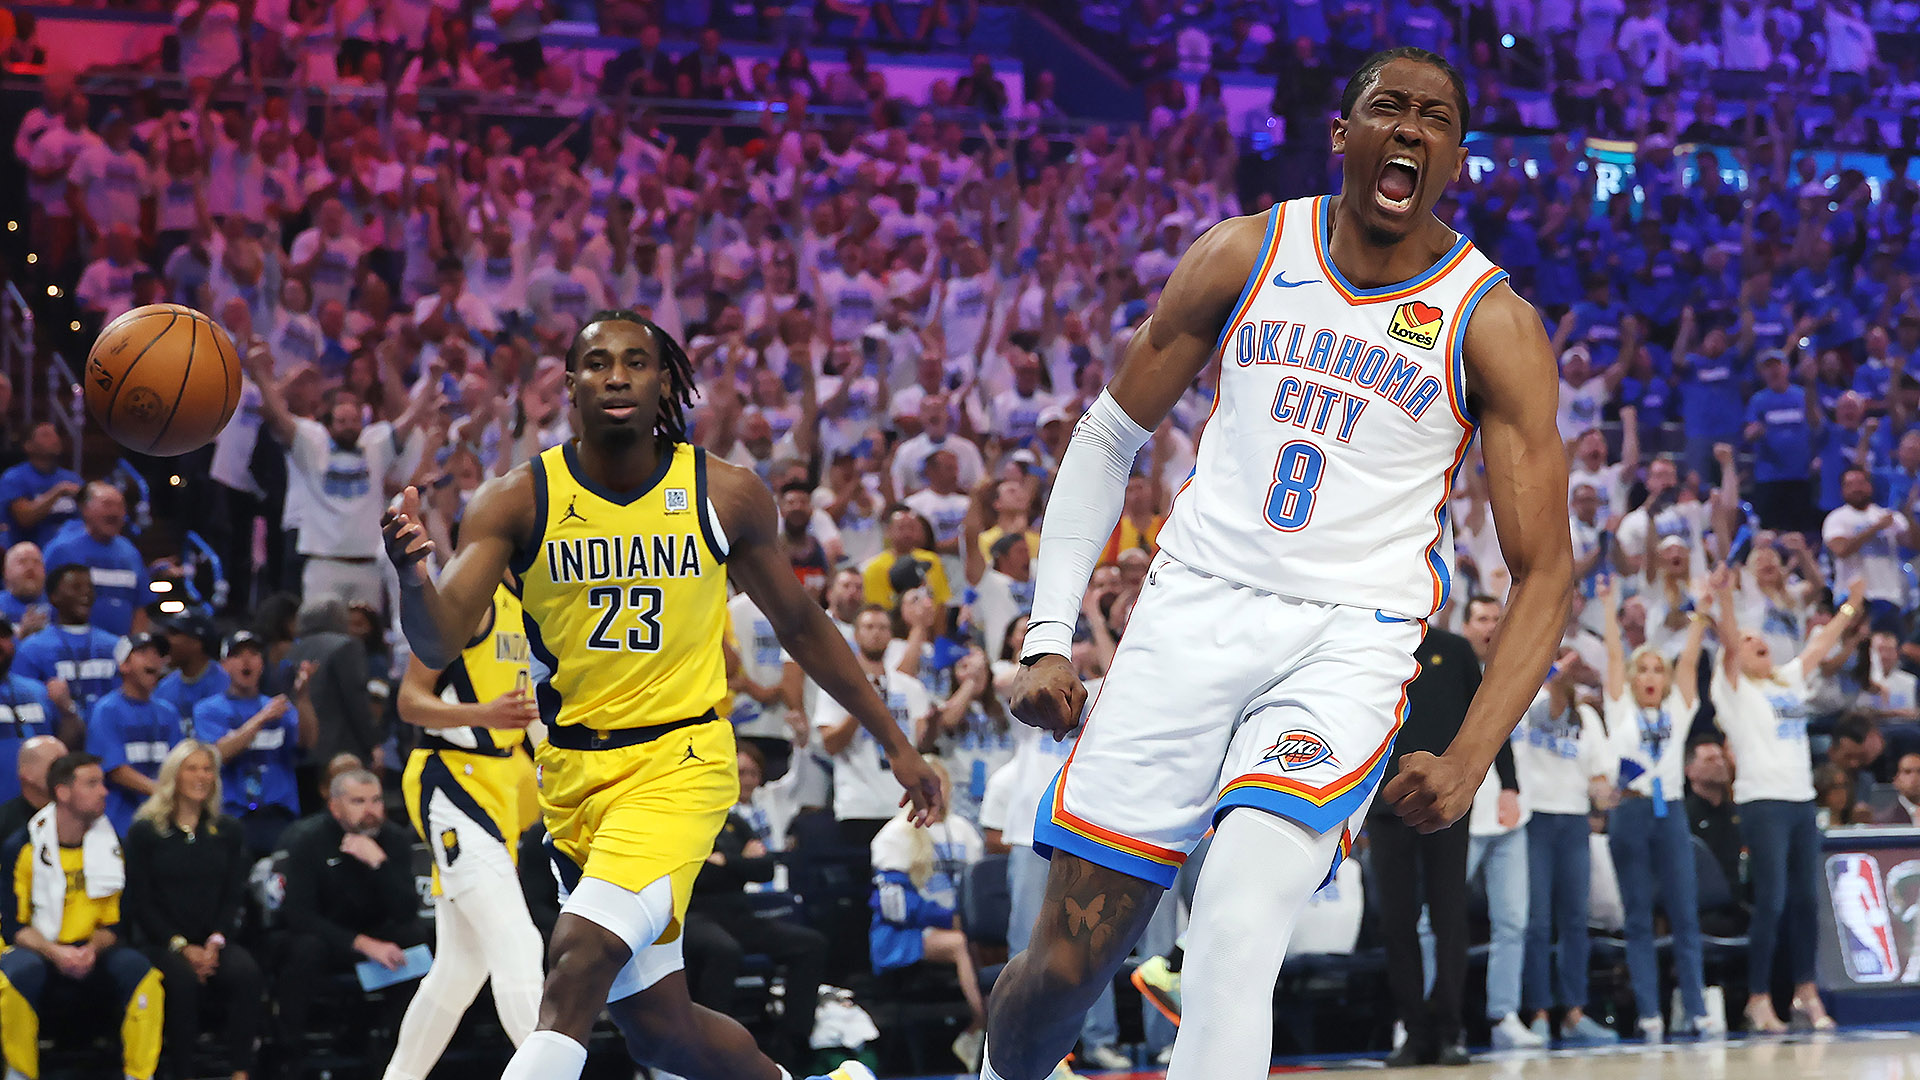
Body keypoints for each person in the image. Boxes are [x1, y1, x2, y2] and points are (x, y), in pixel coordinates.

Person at [982, 47, 1571, 1080]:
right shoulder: (1246, 252)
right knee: (1066, 969)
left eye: (1435, 118)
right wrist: (1046, 637)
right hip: (1189, 616)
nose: (1410, 129)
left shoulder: (1494, 323)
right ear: (1342, 135)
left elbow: (1547, 571)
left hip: (1346, 645)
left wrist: (1470, 754)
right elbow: (1108, 434)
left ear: (1455, 158)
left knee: (1236, 927)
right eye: (1387, 108)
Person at [380, 309, 938, 1080]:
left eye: (635, 362)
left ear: (665, 381)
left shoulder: (724, 492)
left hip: (679, 763)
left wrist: (896, 742)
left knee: (575, 964)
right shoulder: (516, 499)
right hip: (573, 780)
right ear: (569, 385)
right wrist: (413, 577)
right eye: (598, 362)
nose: (616, 376)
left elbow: (803, 625)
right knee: (661, 1033)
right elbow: (439, 642)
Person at [382, 581, 544, 1080]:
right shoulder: (471, 599)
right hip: (452, 777)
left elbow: (534, 713)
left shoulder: (535, 602)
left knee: (460, 970)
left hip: (503, 782)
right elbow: (409, 701)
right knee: (519, 943)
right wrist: (481, 714)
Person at [1710, 572, 1860, 1032]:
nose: (1758, 642)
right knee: (1771, 900)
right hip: (1763, 802)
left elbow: (1820, 646)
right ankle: (1758, 997)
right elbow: (1729, 643)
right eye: (1748, 640)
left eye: (1761, 638)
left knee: (1806, 901)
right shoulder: (1733, 691)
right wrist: (1725, 598)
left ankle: (1805, 990)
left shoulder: (1787, 681)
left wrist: (1849, 607)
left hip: (1800, 801)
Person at [1599, 574, 1720, 1040]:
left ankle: (1696, 1007)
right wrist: (1607, 606)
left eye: (1657, 670)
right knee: (1637, 918)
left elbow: (1689, 659)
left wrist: (1702, 613)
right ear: (1633, 678)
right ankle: (1649, 1011)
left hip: (1669, 811)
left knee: (1684, 913)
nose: (1650, 677)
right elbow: (1614, 655)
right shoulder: (1620, 708)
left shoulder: (1679, 710)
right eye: (1643, 670)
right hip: (1629, 812)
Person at [0, 752, 165, 1080]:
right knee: (13, 978)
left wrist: (90, 949)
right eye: (92, 784)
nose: (104, 791)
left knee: (145, 977)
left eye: (102, 782)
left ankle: (139, 1075)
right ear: (63, 792)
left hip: (93, 949)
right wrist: (56, 952)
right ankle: (19, 1075)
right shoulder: (23, 847)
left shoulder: (113, 847)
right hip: (40, 948)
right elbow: (16, 926)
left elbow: (115, 923)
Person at [123, 740, 265, 1080]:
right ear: (174, 775)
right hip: (161, 940)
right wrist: (181, 945)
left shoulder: (227, 830)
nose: (202, 776)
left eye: (208, 769)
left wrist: (215, 941)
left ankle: (241, 1070)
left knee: (246, 973)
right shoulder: (146, 832)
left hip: (213, 939)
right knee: (182, 981)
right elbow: (141, 901)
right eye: (193, 769)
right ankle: (183, 1072)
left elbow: (233, 895)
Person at [1373, 617, 1480, 1066]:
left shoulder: (1454, 650)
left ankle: (1451, 1030)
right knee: (1396, 921)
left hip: (1445, 801)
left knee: (1449, 916)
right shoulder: (1372, 649)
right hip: (1384, 803)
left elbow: (1483, 721)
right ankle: (1414, 1032)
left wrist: (1508, 784)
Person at [680, 749, 829, 1072]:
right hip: (694, 916)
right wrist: (739, 863)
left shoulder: (734, 823)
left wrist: (725, 862)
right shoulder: (681, 823)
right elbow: (695, 875)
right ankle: (709, 1051)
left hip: (738, 915)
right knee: (724, 950)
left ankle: (790, 1048)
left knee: (810, 944)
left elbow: (764, 869)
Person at [273, 768, 428, 1050]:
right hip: (328, 938)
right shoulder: (307, 840)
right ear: (335, 807)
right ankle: (288, 1050)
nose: (370, 810)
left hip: (378, 935)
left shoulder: (394, 839)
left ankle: (400, 1044)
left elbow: (406, 911)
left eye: (376, 800)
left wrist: (379, 864)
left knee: (416, 937)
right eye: (358, 801)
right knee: (305, 949)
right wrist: (363, 944)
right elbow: (300, 916)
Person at [870, 762, 987, 1069]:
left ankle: (981, 1031)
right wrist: (947, 918)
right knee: (961, 944)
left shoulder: (964, 831)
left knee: (992, 942)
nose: (936, 791)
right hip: (904, 934)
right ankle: (985, 1025)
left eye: (940, 783)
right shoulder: (894, 835)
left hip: (959, 926)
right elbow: (894, 907)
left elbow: (977, 890)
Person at [191, 631, 315, 856]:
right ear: (224, 665)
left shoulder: (280, 708)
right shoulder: (208, 710)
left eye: (254, 654)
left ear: (262, 664)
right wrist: (262, 719)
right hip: (232, 815)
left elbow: (307, 742)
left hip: (278, 814)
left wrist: (303, 697)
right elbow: (217, 754)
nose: (246, 660)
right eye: (238, 655)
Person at [85, 633, 184, 837]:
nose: (153, 658)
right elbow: (115, 769)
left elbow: (179, 761)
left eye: (157, 653)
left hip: (163, 819)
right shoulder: (107, 710)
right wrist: (162, 791)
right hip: (120, 822)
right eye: (143, 652)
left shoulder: (168, 712)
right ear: (124, 665)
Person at [14, 563, 121, 743]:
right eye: (76, 587)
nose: (86, 593)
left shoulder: (116, 646)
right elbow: (24, 705)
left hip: (108, 741)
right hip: (56, 740)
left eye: (90, 588)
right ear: (54, 597)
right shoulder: (32, 649)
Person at [41, 482, 150, 639]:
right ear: (85, 509)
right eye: (107, 504)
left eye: (120, 506)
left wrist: (137, 645)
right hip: (70, 646)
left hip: (121, 648)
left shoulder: (131, 553)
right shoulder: (61, 550)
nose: (114, 512)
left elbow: (140, 607)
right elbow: (42, 601)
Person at [0, 616, 55, 806]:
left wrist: (67, 712)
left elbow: (64, 741)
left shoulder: (37, 691)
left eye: (4, 636)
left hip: (38, 806)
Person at [0, 422, 81, 549]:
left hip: (69, 550)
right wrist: (58, 491)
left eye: (56, 434)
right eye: (46, 435)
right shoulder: (14, 477)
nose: (55, 439)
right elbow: (25, 519)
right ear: (28, 446)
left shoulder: (72, 478)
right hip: (30, 551)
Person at [153, 611, 229, 724]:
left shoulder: (226, 684)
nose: (167, 640)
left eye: (174, 633)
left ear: (197, 643)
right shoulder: (163, 689)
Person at [0, 735, 65, 856]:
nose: (67, 773)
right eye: (57, 765)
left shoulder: (80, 816)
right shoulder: (5, 825)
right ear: (27, 772)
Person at [1872, 752, 1920, 825]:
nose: (1914, 778)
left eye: (1919, 771)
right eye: (1907, 772)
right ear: (1896, 779)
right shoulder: (1884, 821)